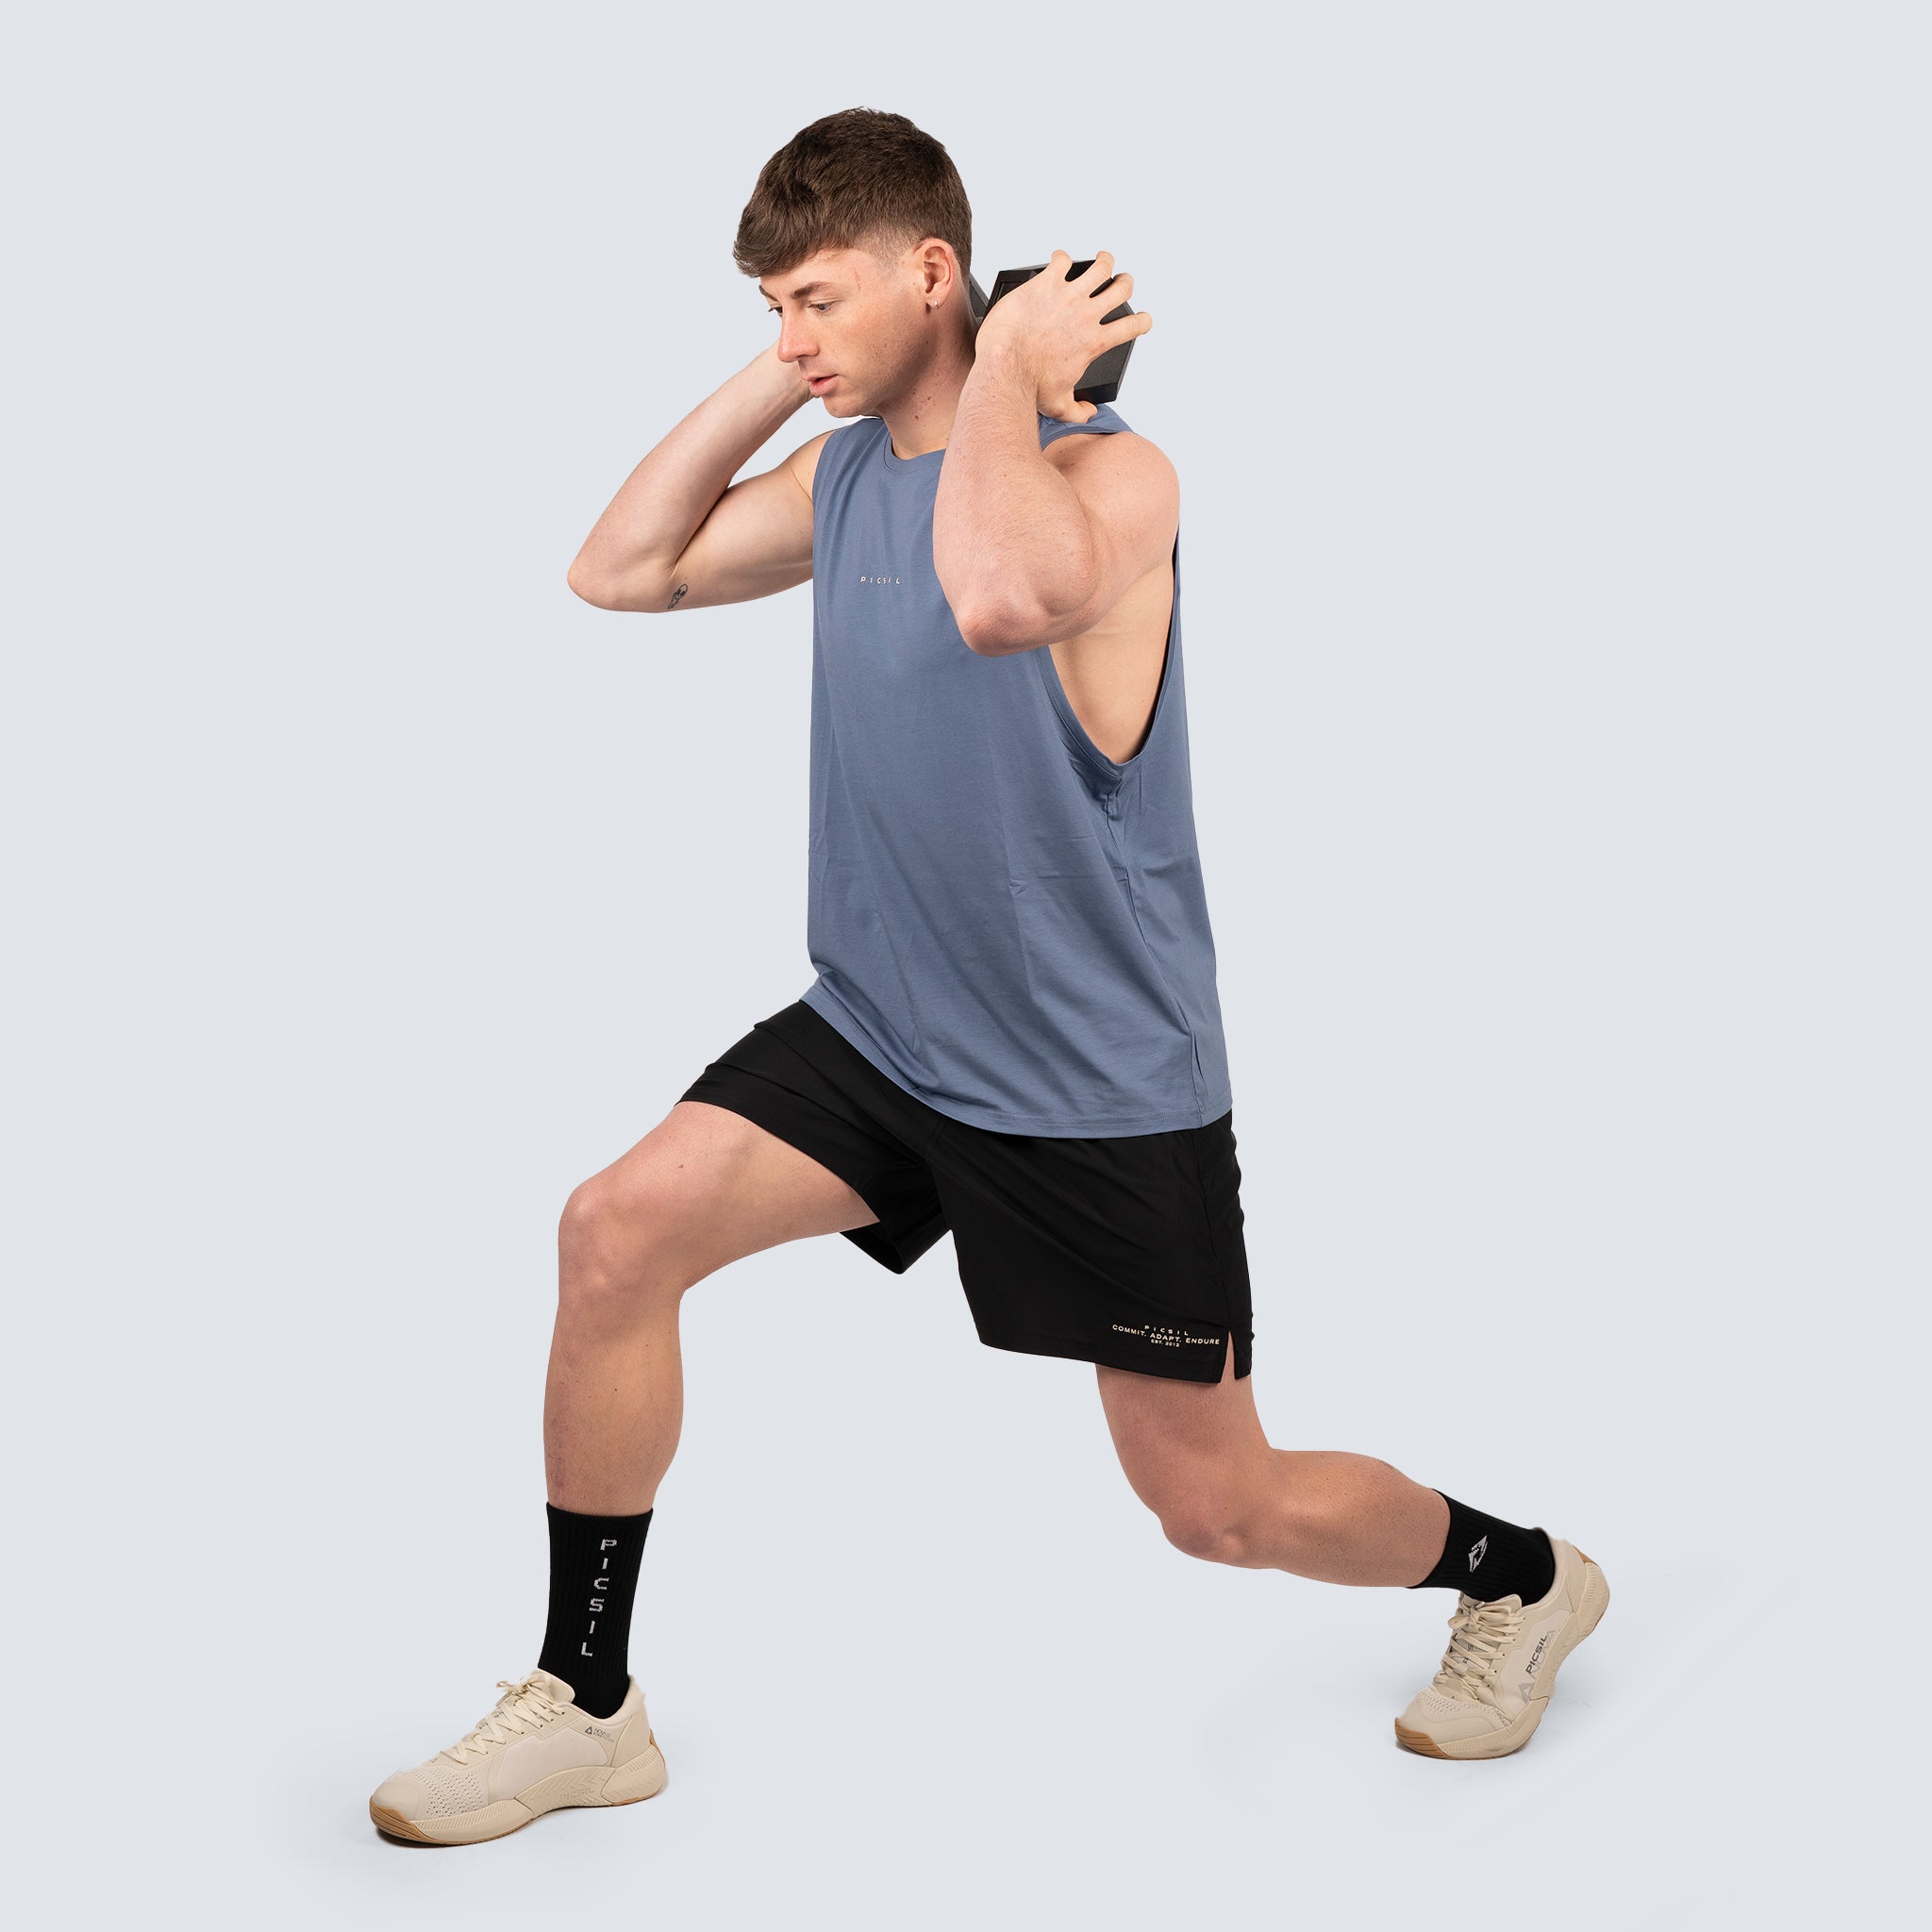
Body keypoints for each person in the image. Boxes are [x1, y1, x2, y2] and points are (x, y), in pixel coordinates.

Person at [367, 107, 1607, 1846]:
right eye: (772, 309)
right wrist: (795, 375)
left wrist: (1011, 374)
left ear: (936, 275)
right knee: (613, 1232)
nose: (792, 339)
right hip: (884, 1031)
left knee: (1219, 1508)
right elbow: (618, 570)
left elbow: (1004, 596)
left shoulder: (1117, 479)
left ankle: (1524, 1577)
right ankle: (587, 1703)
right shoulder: (848, 477)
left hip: (1090, 1080)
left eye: (816, 302)